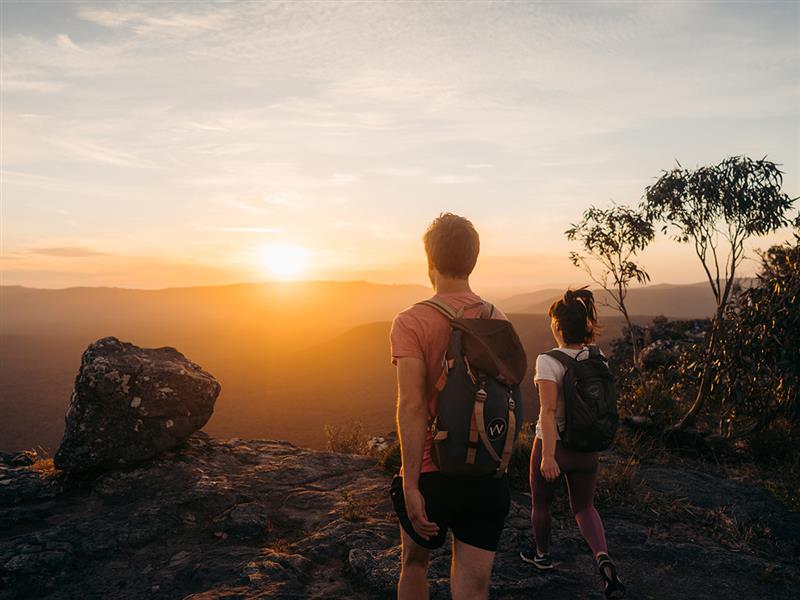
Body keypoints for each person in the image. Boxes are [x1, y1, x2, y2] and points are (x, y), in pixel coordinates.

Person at [390, 213, 511, 600]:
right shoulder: (497, 319)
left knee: (414, 565)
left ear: (430, 261)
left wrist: (410, 484)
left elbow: (412, 406)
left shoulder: (411, 321)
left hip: (433, 473)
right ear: (473, 260)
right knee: (474, 588)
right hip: (487, 474)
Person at [521, 288, 626, 599]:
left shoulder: (548, 361)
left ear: (558, 326)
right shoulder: (598, 357)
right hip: (587, 448)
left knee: (541, 504)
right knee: (584, 507)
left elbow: (548, 411)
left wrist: (548, 457)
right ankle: (603, 558)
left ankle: (541, 555)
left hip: (555, 447)